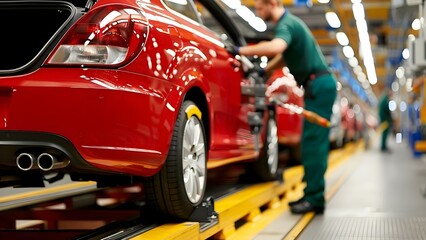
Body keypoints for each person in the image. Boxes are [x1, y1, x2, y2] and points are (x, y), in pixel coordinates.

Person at [230, 0, 337, 214]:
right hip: (318, 85)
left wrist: (240, 50)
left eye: (259, 8)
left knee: (313, 144)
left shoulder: (286, 24)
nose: (258, 12)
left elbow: (276, 47)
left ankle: (315, 199)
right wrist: (266, 70)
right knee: (311, 143)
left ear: (271, 3)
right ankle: (312, 194)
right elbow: (285, 56)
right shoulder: (292, 24)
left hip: (318, 85)